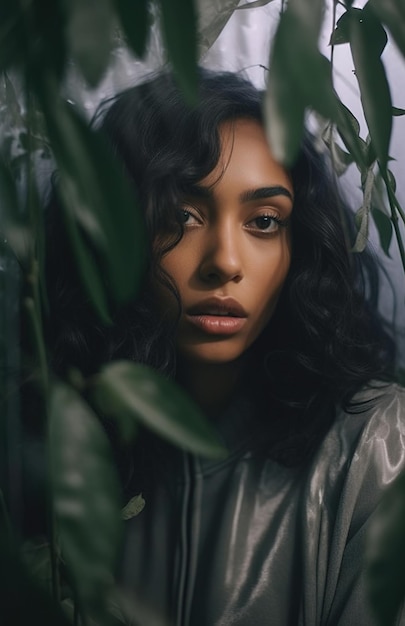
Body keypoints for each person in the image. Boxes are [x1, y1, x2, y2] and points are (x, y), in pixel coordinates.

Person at [45, 69, 405, 625]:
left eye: (264, 221)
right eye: (180, 216)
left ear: (299, 244)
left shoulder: (375, 448)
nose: (226, 262)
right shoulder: (48, 457)